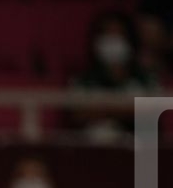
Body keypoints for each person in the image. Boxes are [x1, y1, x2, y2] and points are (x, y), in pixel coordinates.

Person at [68, 9, 159, 138]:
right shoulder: (83, 81)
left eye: (118, 34)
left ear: (130, 40)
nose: (113, 41)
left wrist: (101, 110)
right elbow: (79, 114)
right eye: (107, 34)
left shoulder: (147, 80)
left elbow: (152, 112)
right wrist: (126, 110)